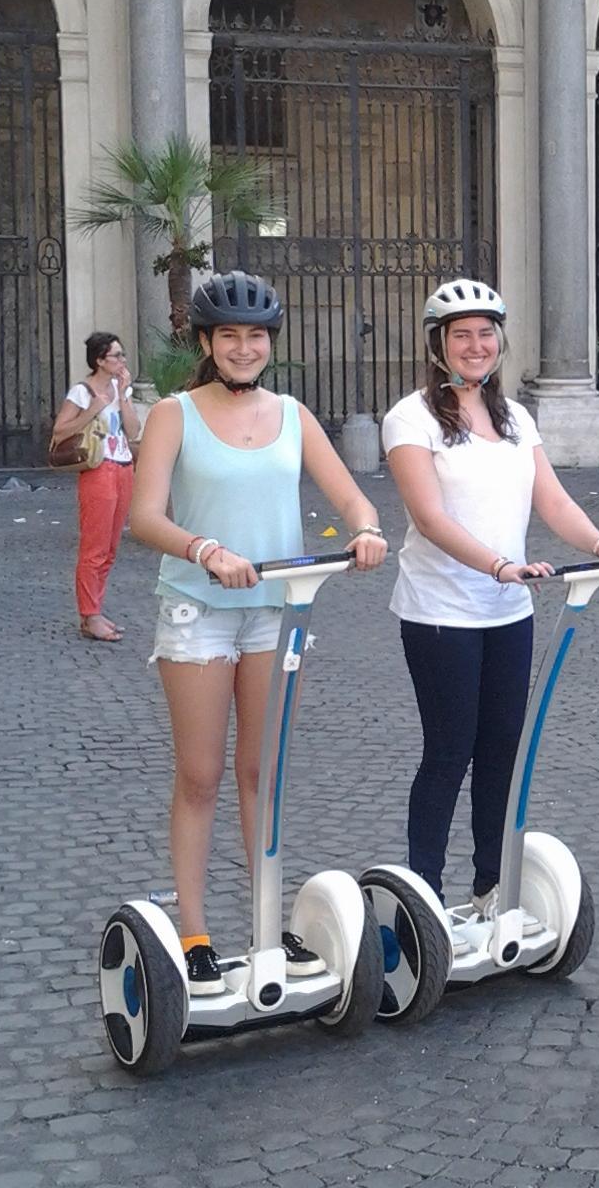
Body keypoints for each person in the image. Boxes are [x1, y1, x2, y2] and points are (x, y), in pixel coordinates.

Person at [129, 270, 388, 995]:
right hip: (199, 609)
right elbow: (145, 516)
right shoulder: (175, 415)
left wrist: (366, 530)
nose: (245, 348)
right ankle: (193, 931)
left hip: (277, 609)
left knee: (261, 773)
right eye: (230, 336)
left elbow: (350, 495)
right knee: (202, 774)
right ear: (207, 342)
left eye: (256, 336)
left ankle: (267, 923)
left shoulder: (294, 415)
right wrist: (206, 550)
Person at [383, 278, 599, 913]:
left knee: (502, 751)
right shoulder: (411, 418)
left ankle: (490, 883)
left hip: (509, 612)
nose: (475, 346)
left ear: (499, 343)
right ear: (438, 345)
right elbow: (428, 517)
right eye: (461, 335)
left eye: (485, 334)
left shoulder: (514, 416)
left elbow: (553, 499)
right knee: (450, 752)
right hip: (439, 612)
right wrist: (498, 564)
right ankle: (421, 894)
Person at [51, 331, 141, 641]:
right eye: (116, 356)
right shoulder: (82, 392)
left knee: (111, 547)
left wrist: (124, 395)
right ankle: (89, 615)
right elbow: (60, 431)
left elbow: (133, 430)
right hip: (97, 468)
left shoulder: (120, 390)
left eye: (122, 355)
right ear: (100, 360)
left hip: (123, 466)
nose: (122, 360)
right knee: (95, 546)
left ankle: (96, 610)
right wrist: (92, 410)